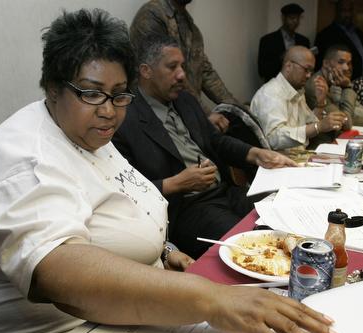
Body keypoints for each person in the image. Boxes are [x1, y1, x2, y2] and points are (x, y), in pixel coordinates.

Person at [0, 9, 337, 333]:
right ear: (53, 88)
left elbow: (124, 202)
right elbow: (60, 272)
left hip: (109, 320)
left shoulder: (90, 134)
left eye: (120, 94)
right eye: (92, 93)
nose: (109, 111)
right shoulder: (25, 158)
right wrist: (210, 300)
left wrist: (165, 250)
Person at [112, 34, 297, 259]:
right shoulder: (124, 118)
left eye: (182, 66)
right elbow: (124, 189)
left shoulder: (185, 100)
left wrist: (255, 154)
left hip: (224, 191)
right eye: (172, 67)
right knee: (255, 246)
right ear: (146, 71)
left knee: (287, 209)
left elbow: (215, 141)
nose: (181, 75)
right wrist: (177, 183)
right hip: (187, 208)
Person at [130, 0, 242, 132]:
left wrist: (237, 109)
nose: (180, 73)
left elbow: (205, 71)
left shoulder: (190, 25)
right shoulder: (152, 15)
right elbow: (167, 77)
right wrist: (204, 114)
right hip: (156, 118)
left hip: (185, 115)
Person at [251, 46, 347, 151]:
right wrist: (318, 126)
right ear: (288, 66)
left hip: (297, 157)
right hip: (277, 162)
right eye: (306, 69)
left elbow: (308, 127)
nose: (309, 75)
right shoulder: (270, 94)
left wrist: (320, 104)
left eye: (311, 71)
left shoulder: (297, 90)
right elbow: (274, 139)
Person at [305, 44, 354, 148]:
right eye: (341, 62)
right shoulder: (317, 85)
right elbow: (346, 123)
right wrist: (347, 88)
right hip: (318, 148)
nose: (346, 68)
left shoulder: (331, 82)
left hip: (331, 144)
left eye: (349, 63)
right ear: (326, 63)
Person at [314, 0, 363, 80]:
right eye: (344, 11)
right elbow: (320, 64)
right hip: (340, 82)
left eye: (350, 10)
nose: (347, 14)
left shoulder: (358, 32)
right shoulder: (326, 34)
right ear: (337, 12)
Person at [258, 3, 311, 83]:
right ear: (283, 18)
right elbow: (262, 71)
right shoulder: (267, 40)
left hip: (297, 88)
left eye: (297, 18)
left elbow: (308, 68)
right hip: (274, 87)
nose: (295, 21)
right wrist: (282, 57)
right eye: (292, 18)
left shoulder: (304, 41)